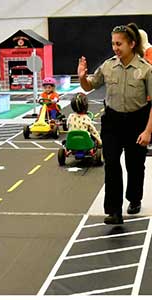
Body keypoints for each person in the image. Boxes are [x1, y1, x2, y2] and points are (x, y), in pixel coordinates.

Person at [77, 22, 152, 225]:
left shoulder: (146, 69)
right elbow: (89, 86)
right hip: (112, 122)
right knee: (111, 164)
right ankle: (114, 211)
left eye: (119, 44)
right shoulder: (108, 66)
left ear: (132, 44)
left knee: (135, 165)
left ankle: (134, 198)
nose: (115, 48)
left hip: (137, 122)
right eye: (113, 44)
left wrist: (147, 131)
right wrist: (82, 77)